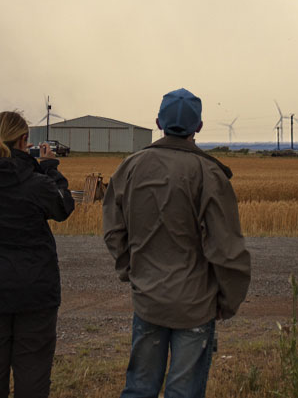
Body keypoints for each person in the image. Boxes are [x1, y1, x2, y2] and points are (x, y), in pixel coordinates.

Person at [103, 89, 251, 398]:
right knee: (184, 392)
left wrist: (131, 271)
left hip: (147, 299)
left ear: (158, 122)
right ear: (198, 127)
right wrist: (228, 300)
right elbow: (227, 248)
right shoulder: (209, 173)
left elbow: (114, 231)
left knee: (139, 388)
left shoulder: (129, 167)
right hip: (196, 305)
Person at [0, 111, 76, 397]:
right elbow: (63, 207)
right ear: (25, 140)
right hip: (35, 290)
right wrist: (49, 167)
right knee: (33, 372)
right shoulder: (36, 183)